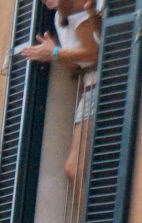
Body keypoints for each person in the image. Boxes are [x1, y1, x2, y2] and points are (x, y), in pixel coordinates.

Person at [19, 0, 100, 187]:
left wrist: (55, 52)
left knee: (75, 168)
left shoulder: (77, 11)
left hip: (98, 84)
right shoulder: (59, 18)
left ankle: (93, 216)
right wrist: (55, 51)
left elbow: (95, 54)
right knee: (76, 168)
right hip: (89, 87)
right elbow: (74, 66)